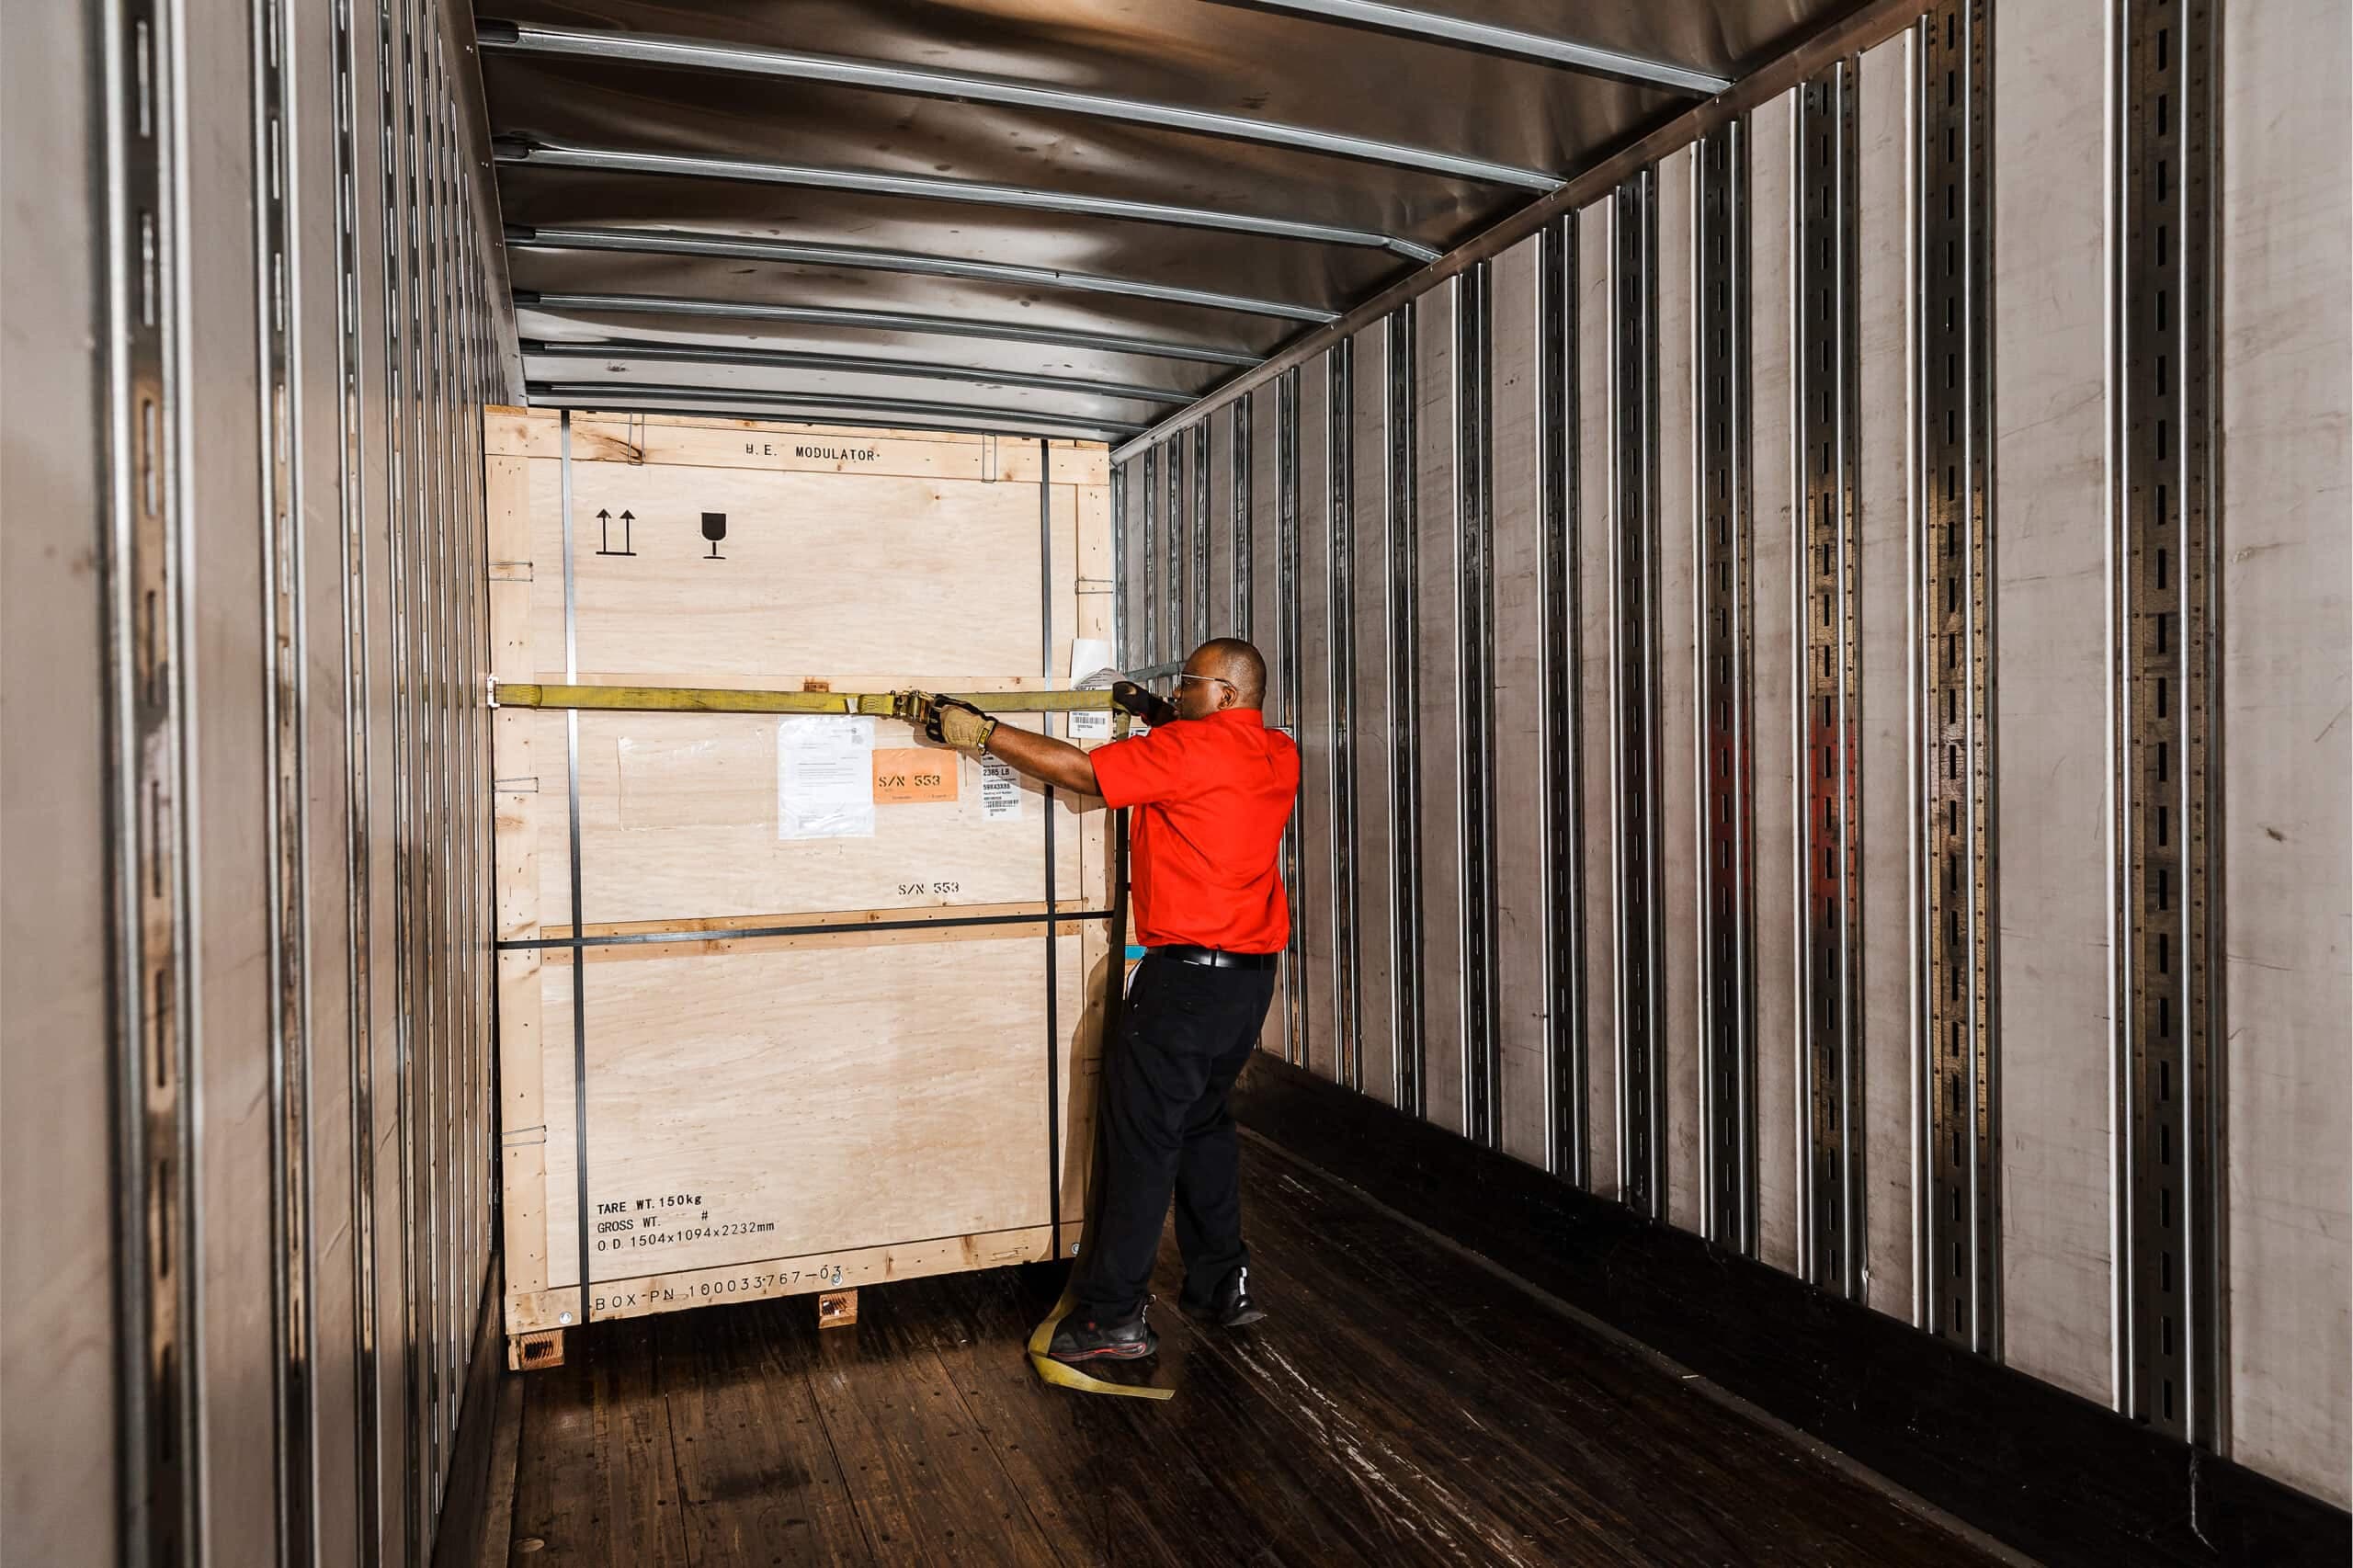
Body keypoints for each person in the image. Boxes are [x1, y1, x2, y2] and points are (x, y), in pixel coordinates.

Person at [904, 639, 1300, 1364]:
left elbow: (1085, 772)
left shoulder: (1187, 755)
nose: (1177, 694)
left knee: (1142, 1145)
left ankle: (1113, 1318)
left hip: (1183, 986)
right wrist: (1152, 712)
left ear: (1225, 693)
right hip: (1248, 983)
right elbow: (1198, 750)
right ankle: (1223, 1284)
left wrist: (979, 730)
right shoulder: (1278, 752)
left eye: (1187, 685)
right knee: (1205, 1125)